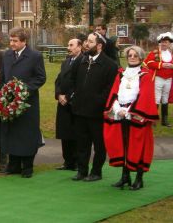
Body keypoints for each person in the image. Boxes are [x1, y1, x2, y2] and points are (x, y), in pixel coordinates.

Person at [104, 46, 158, 190]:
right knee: (124, 145)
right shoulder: (121, 74)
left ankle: (139, 179)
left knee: (138, 147)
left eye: (135, 55)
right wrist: (117, 109)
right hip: (120, 113)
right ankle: (125, 177)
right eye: (130, 55)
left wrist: (128, 112)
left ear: (141, 58)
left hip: (137, 115)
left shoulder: (146, 75)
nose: (132, 57)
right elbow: (114, 92)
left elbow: (144, 97)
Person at [70, 32, 118, 182]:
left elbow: (110, 90)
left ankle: (96, 172)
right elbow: (72, 80)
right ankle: (82, 170)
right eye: (86, 41)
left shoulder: (110, 65)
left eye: (90, 42)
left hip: (97, 113)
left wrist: (97, 102)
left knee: (99, 145)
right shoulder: (81, 61)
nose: (86, 44)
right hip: (80, 111)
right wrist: (75, 97)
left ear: (99, 46)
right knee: (82, 143)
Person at [0, 27, 46, 178]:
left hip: (27, 102)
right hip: (9, 101)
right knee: (12, 133)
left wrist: (23, 90)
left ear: (24, 41)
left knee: (26, 134)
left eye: (15, 41)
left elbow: (40, 77)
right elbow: (3, 77)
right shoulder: (6, 55)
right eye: (10, 40)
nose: (11, 44)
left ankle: (27, 166)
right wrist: (2, 94)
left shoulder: (34, 56)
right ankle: (13, 165)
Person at [54, 38, 83, 171]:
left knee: (75, 133)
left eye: (71, 45)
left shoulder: (83, 62)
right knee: (65, 133)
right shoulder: (66, 62)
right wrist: (59, 94)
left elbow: (79, 83)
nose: (69, 47)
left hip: (74, 103)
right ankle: (68, 161)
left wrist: (68, 96)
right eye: (68, 45)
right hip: (63, 103)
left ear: (79, 47)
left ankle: (77, 161)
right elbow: (59, 80)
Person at [143, 32, 173, 127]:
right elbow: (148, 63)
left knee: (165, 99)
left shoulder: (171, 53)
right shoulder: (155, 52)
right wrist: (161, 65)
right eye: (162, 42)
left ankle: (164, 120)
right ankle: (153, 120)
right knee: (156, 98)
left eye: (166, 42)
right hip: (158, 78)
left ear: (169, 43)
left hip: (169, 79)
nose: (164, 44)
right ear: (160, 43)